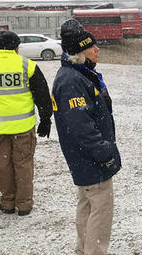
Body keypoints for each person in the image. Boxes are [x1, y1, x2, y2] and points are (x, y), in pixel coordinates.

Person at [52, 19, 121, 255]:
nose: (97, 49)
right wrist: (104, 153)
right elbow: (81, 126)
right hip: (90, 158)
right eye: (91, 46)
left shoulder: (78, 74)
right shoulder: (72, 81)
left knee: (87, 205)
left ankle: (84, 250)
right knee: (101, 211)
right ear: (80, 53)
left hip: (83, 157)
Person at [0, 30, 52, 216]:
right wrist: (45, 119)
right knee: (23, 164)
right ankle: (24, 204)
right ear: (16, 47)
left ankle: (7, 202)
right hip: (23, 126)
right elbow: (42, 95)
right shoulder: (27, 65)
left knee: (3, 164)